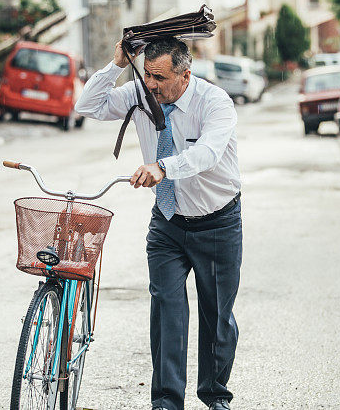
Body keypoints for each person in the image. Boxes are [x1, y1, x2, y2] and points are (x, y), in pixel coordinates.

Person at [74, 37, 242, 410]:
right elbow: (86, 105)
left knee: (217, 317)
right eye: (147, 74)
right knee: (167, 310)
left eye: (160, 77)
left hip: (217, 223)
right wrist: (117, 64)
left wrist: (164, 166)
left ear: (185, 74)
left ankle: (215, 397)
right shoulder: (141, 91)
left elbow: (208, 153)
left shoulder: (214, 103)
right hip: (167, 223)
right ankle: (166, 402)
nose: (151, 84)